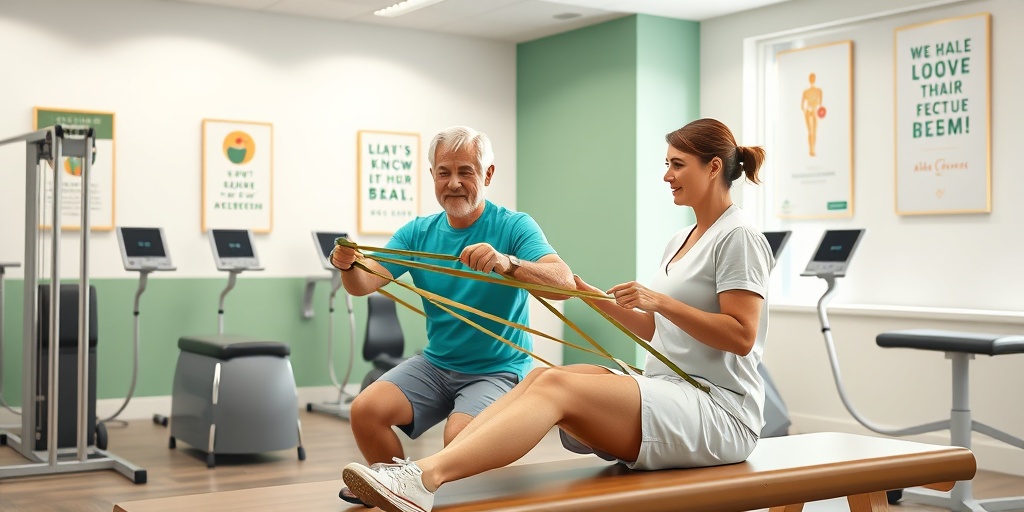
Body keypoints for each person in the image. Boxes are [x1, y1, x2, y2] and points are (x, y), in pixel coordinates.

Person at [339, 118, 775, 512]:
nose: (667, 175)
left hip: (720, 410)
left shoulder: (739, 237)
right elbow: (657, 332)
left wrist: (660, 301)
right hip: (670, 386)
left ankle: (423, 476)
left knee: (557, 385)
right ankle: (412, 479)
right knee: (542, 378)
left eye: (677, 165)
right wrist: (586, 290)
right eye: (667, 164)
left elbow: (741, 336)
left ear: (713, 167)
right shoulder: (683, 239)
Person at [330, 125, 574, 506]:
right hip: (437, 364)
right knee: (365, 410)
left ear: (488, 175)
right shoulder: (417, 233)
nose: (454, 183)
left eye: (467, 171)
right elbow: (362, 284)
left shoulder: (513, 226)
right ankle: (397, 490)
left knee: (457, 439)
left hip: (498, 368)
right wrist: (347, 265)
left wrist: (507, 262)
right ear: (432, 177)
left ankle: (414, 482)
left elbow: (564, 282)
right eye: (444, 172)